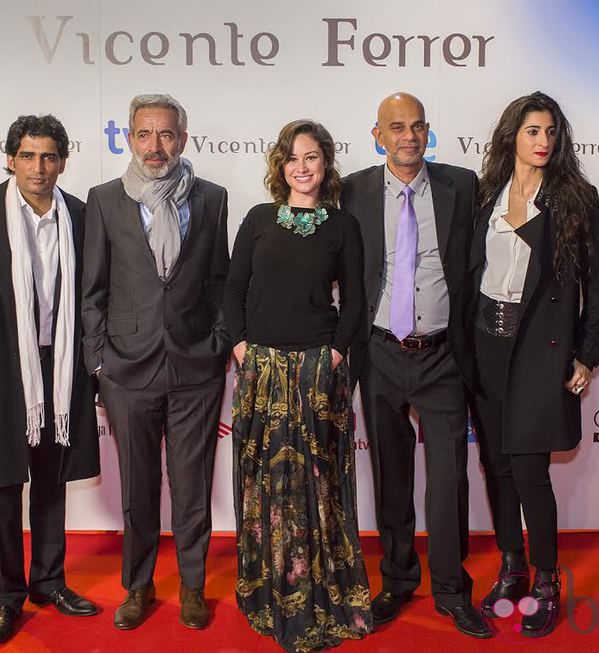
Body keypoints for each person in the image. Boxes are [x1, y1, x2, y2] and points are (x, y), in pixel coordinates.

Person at [0, 114, 100, 644]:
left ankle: (49, 580)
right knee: (3, 484)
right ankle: (7, 596)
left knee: (51, 482)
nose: (39, 166)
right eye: (28, 155)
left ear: (62, 161)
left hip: (61, 368)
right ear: (11, 158)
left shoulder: (81, 215)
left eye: (49, 156)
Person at [341, 92, 492, 638]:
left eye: (418, 126)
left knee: (449, 479)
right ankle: (398, 582)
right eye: (397, 127)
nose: (409, 136)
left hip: (442, 355)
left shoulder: (462, 185)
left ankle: (451, 590)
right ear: (377, 134)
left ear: (429, 132)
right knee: (390, 475)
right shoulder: (352, 190)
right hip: (378, 351)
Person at [82, 94, 230, 631]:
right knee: (138, 490)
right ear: (129, 139)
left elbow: (220, 282)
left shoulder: (213, 199)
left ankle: (193, 588)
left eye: (166, 135)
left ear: (183, 140)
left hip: (196, 370)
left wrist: (217, 345)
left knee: (193, 489)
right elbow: (92, 289)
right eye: (144, 134)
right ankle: (138, 587)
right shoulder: (103, 200)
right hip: (126, 371)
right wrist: (98, 360)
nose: (155, 146)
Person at [224, 119, 371, 652]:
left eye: (311, 157)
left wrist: (333, 354)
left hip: (316, 371)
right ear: (279, 165)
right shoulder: (258, 219)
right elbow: (233, 288)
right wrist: (241, 347)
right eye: (292, 158)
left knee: (319, 485)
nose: (302, 167)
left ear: (325, 164)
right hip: (260, 369)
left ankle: (321, 594)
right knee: (263, 485)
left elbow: (355, 300)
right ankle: (267, 596)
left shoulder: (342, 225)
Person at [470, 91, 599, 637]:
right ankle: (512, 568)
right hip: (486, 343)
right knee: (497, 470)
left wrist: (588, 353)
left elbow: (597, 286)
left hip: (541, 349)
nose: (543, 142)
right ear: (513, 136)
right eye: (533, 131)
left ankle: (547, 580)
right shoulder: (485, 194)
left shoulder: (576, 197)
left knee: (529, 472)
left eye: (551, 131)